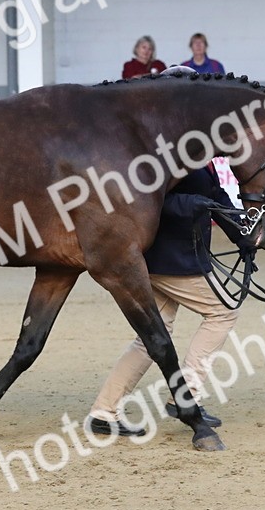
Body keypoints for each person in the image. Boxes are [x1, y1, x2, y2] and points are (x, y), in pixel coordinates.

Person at [87, 164, 247, 436]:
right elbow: (153, 199)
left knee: (152, 337)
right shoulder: (170, 154)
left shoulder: (203, 155)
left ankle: (104, 412)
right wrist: (193, 203)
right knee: (222, 313)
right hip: (171, 258)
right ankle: (187, 397)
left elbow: (215, 195)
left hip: (170, 257)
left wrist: (242, 234)